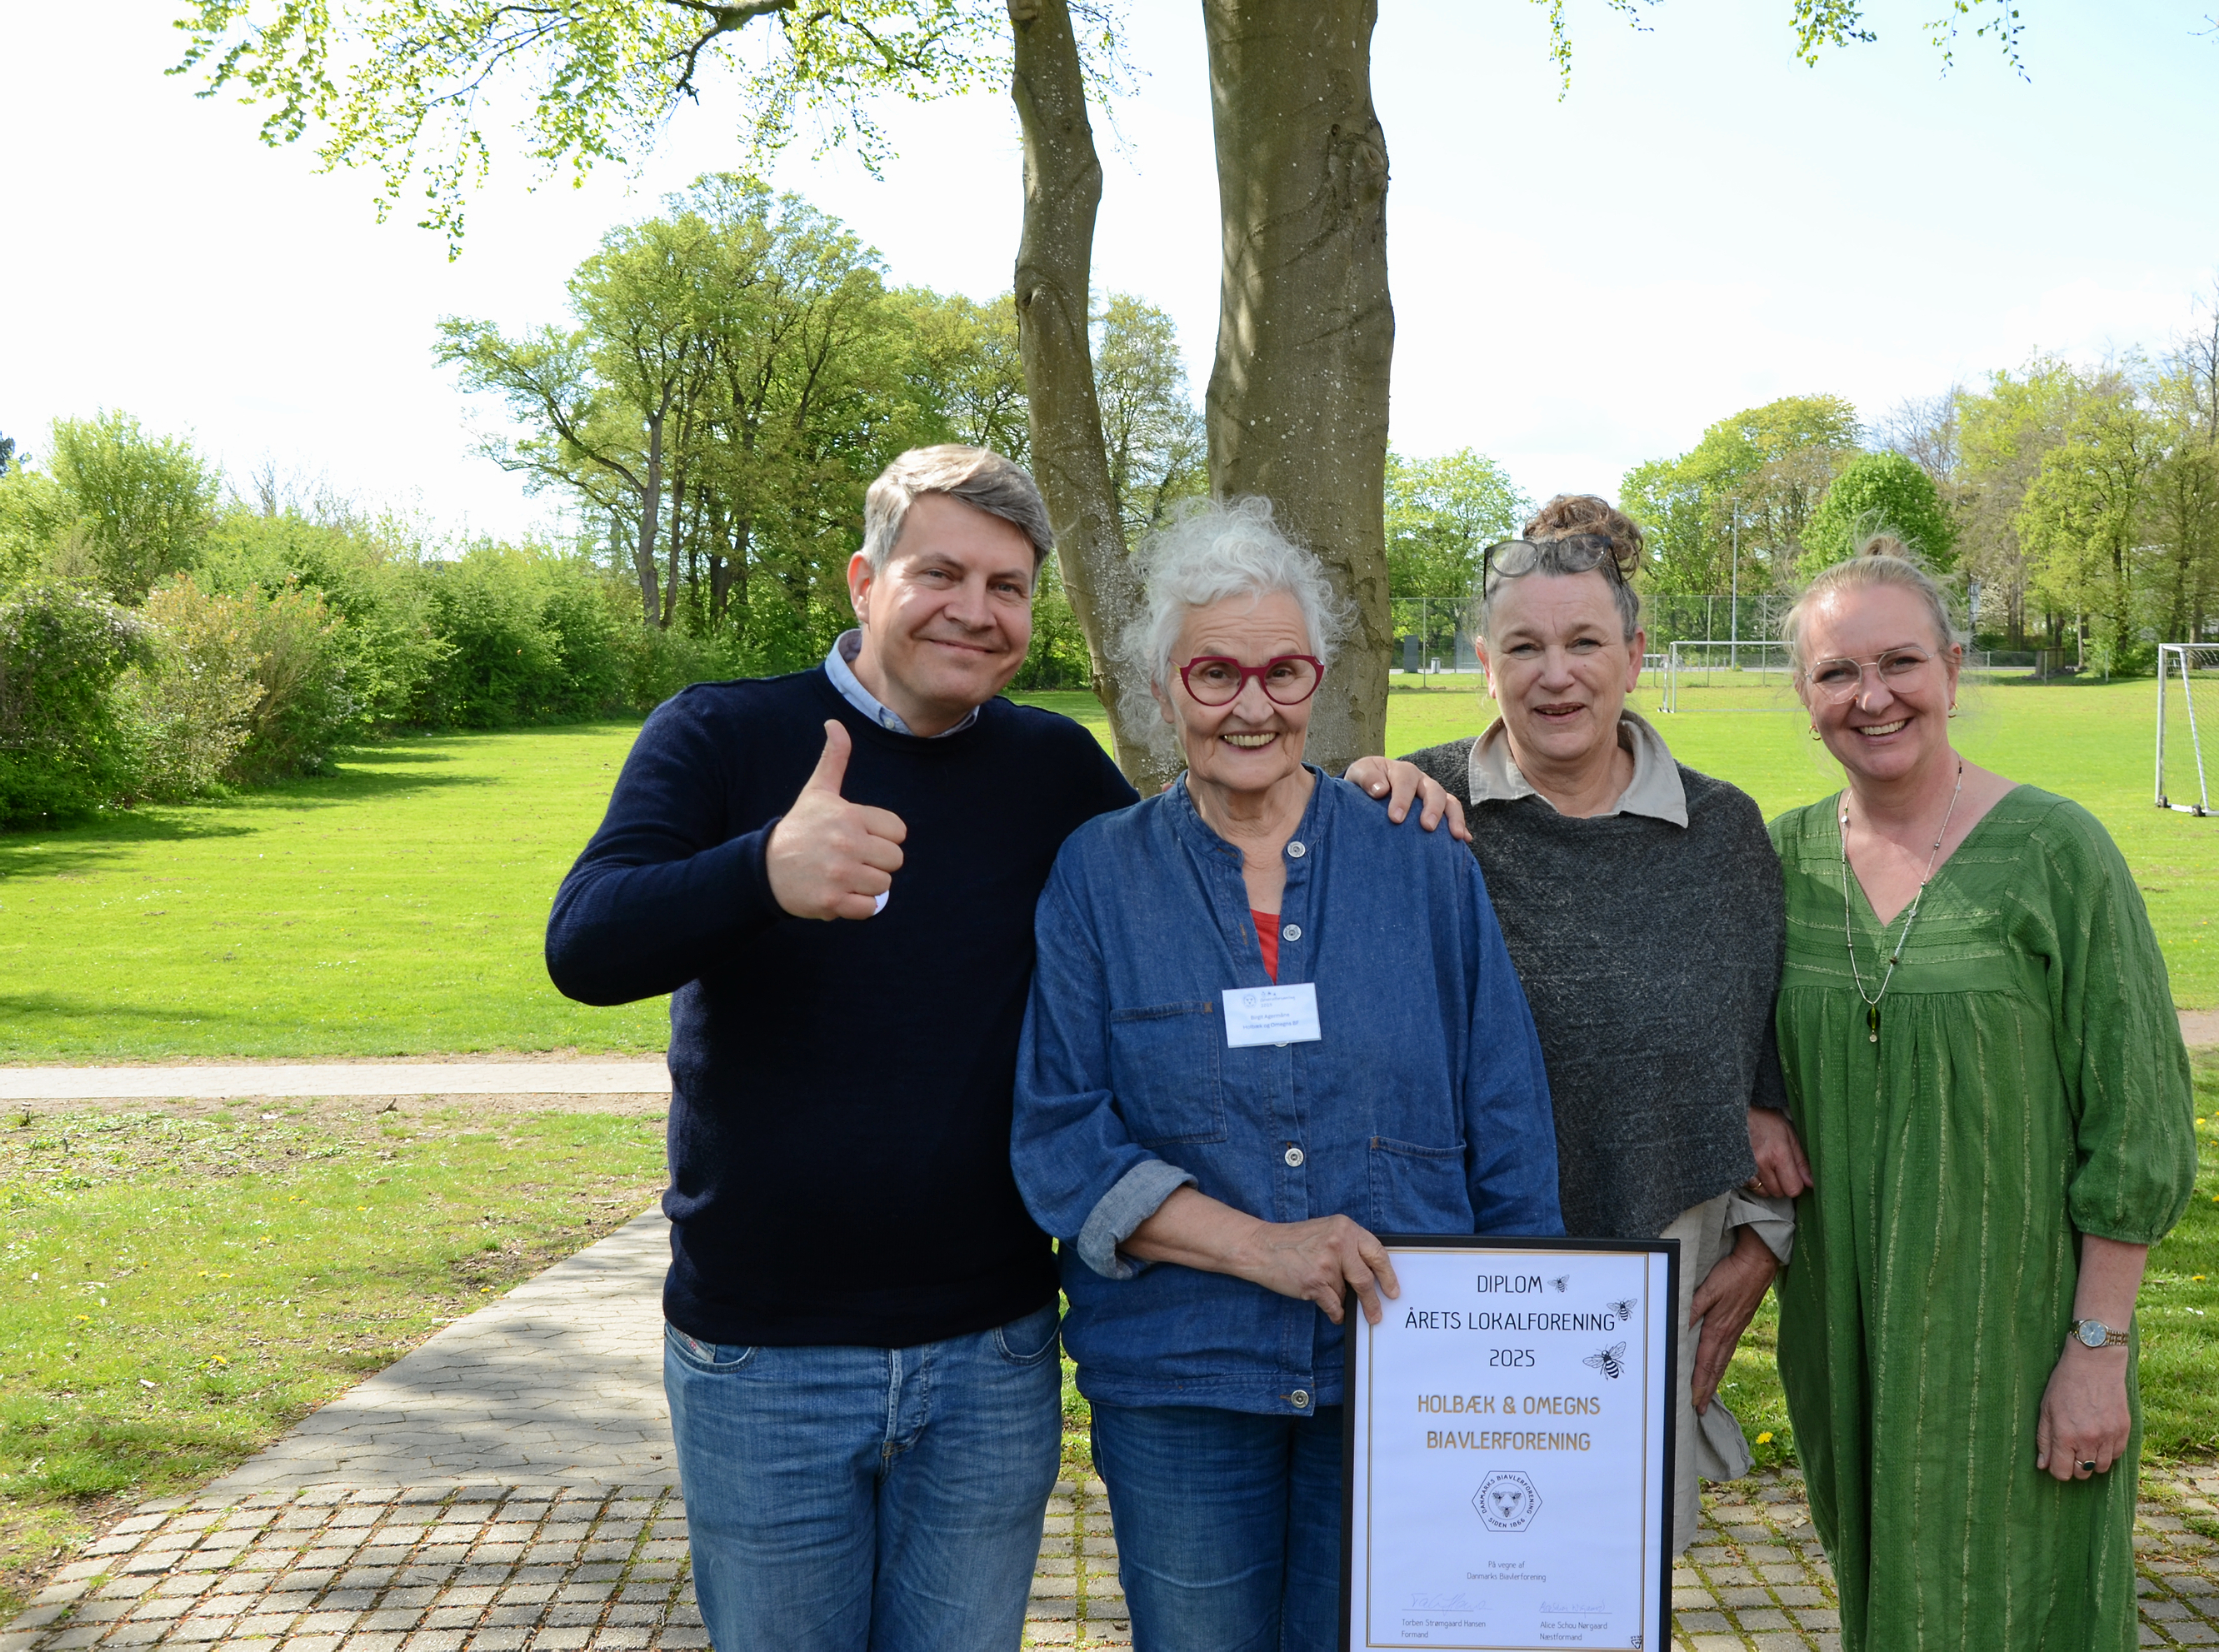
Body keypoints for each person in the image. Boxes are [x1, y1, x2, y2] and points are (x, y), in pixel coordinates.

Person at [543, 447, 1463, 1652]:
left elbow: (1211, 823)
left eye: (1009, 585)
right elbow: (586, 944)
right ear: (866, 580)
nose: (975, 610)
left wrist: (1369, 790)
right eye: (942, 573)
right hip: (766, 1353)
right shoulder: (722, 734)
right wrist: (760, 870)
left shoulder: (1046, 771)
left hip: (989, 1351)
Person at [1012, 497, 1564, 1652]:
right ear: (1163, 684)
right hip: (1180, 1380)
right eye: (1214, 673)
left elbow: (1504, 1113)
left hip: (1408, 1373)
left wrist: (1525, 1359)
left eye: (1283, 671)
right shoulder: (1099, 877)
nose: (1251, 705)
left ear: (1319, 679)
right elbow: (1061, 1136)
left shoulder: (1422, 859)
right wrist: (1266, 1248)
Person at [1767, 540, 2197, 1652]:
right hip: (1847, 1331)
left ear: (1953, 668)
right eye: (1835, 672)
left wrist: (2098, 1350)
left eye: (1901, 662)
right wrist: (1747, 1104)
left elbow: (2138, 1118)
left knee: (2021, 1604)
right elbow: (1694, 1037)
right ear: (1803, 695)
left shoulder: (2058, 853)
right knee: (1889, 1605)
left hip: (2016, 1338)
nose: (1873, 697)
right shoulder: (1779, 866)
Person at [1402, 494, 1809, 1555]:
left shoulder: (1720, 831)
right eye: (1524, 645)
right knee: (1461, 1582)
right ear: (1485, 662)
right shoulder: (1413, 810)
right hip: (1450, 1288)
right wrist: (1357, 782)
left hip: (1646, 1294)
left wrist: (1767, 1239)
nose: (1556, 672)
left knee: (1608, 1585)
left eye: (1585, 641)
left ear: (1634, 656)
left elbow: (1770, 1064)